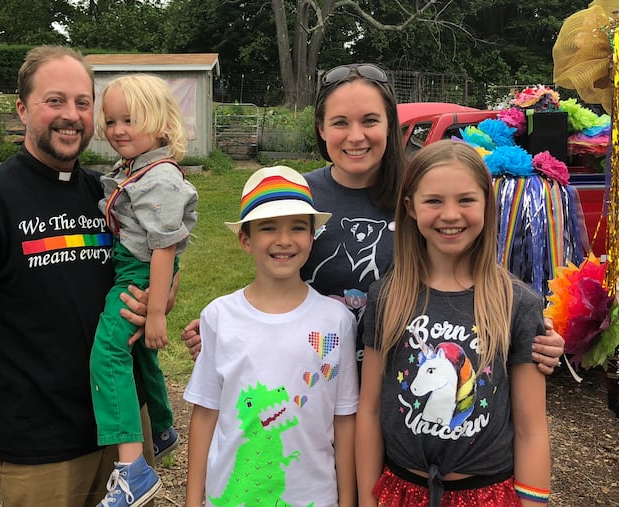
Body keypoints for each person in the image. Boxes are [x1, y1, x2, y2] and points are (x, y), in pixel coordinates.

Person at [182, 63, 565, 372]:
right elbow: (274, 270)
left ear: (389, 124)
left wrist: (528, 326)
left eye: (369, 120)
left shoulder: (425, 194)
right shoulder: (300, 196)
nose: (356, 136)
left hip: (407, 376)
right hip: (313, 376)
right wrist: (229, 324)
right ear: (321, 128)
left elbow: (469, 266)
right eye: (340, 123)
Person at [0, 45, 161, 507]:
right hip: (38, 449)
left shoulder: (108, 196)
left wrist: (156, 299)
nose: (71, 115)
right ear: (22, 108)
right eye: (55, 101)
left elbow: (144, 269)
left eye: (83, 103)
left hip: (123, 431)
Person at [355, 140, 550, 506]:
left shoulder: (516, 303)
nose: (450, 215)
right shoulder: (387, 297)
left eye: (465, 200)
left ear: (487, 204)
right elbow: (368, 411)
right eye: (434, 201)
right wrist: (369, 499)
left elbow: (531, 428)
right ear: (410, 207)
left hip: (487, 494)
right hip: (400, 491)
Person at [184, 166, 359, 507]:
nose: (284, 240)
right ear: (245, 239)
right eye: (268, 228)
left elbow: (344, 419)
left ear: (312, 236)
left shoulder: (337, 322)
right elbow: (205, 414)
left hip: (314, 497)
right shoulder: (218, 317)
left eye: (297, 227)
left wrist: (347, 500)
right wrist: (193, 501)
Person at [91, 73, 198, 507]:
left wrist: (155, 311)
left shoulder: (159, 177)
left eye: (129, 120)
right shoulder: (137, 168)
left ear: (160, 122)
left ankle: (132, 469)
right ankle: (162, 426)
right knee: (139, 352)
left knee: (108, 353)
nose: (117, 130)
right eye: (112, 121)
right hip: (134, 265)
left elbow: (164, 246)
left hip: (138, 271)